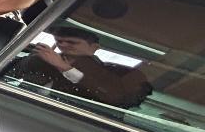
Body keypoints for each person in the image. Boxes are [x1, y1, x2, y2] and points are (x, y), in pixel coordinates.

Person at [16, 25, 152, 109]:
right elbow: (13, 72)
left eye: (72, 42)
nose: (63, 45)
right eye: (59, 41)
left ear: (94, 48)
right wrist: (34, 58)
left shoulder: (108, 72)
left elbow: (113, 97)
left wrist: (64, 67)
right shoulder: (43, 60)